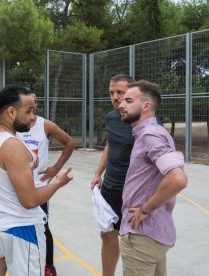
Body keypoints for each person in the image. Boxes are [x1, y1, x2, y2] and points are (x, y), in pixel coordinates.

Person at [0, 85, 73, 276]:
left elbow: (2, 165)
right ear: (11, 111)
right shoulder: (13, 146)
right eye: (28, 111)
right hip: (21, 228)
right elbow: (30, 201)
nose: (32, 117)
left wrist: (27, 161)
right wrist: (58, 183)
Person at [118, 80, 187, 276]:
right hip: (154, 234)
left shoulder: (149, 135)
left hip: (141, 236)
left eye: (128, 100)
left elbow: (177, 179)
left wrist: (145, 209)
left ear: (146, 106)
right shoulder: (155, 132)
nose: (121, 105)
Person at [17, 91, 75, 276]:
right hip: (18, 185)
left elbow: (69, 142)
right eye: (27, 104)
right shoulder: (14, 125)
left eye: (34, 103)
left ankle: (49, 266)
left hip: (39, 185)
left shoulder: (45, 125)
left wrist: (55, 169)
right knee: (18, 224)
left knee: (43, 226)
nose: (31, 107)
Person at [90, 74, 134, 276]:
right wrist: (99, 172)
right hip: (109, 188)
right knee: (107, 235)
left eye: (120, 92)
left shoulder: (142, 121)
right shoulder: (111, 117)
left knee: (133, 242)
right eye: (112, 93)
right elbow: (110, 144)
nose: (115, 97)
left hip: (133, 193)